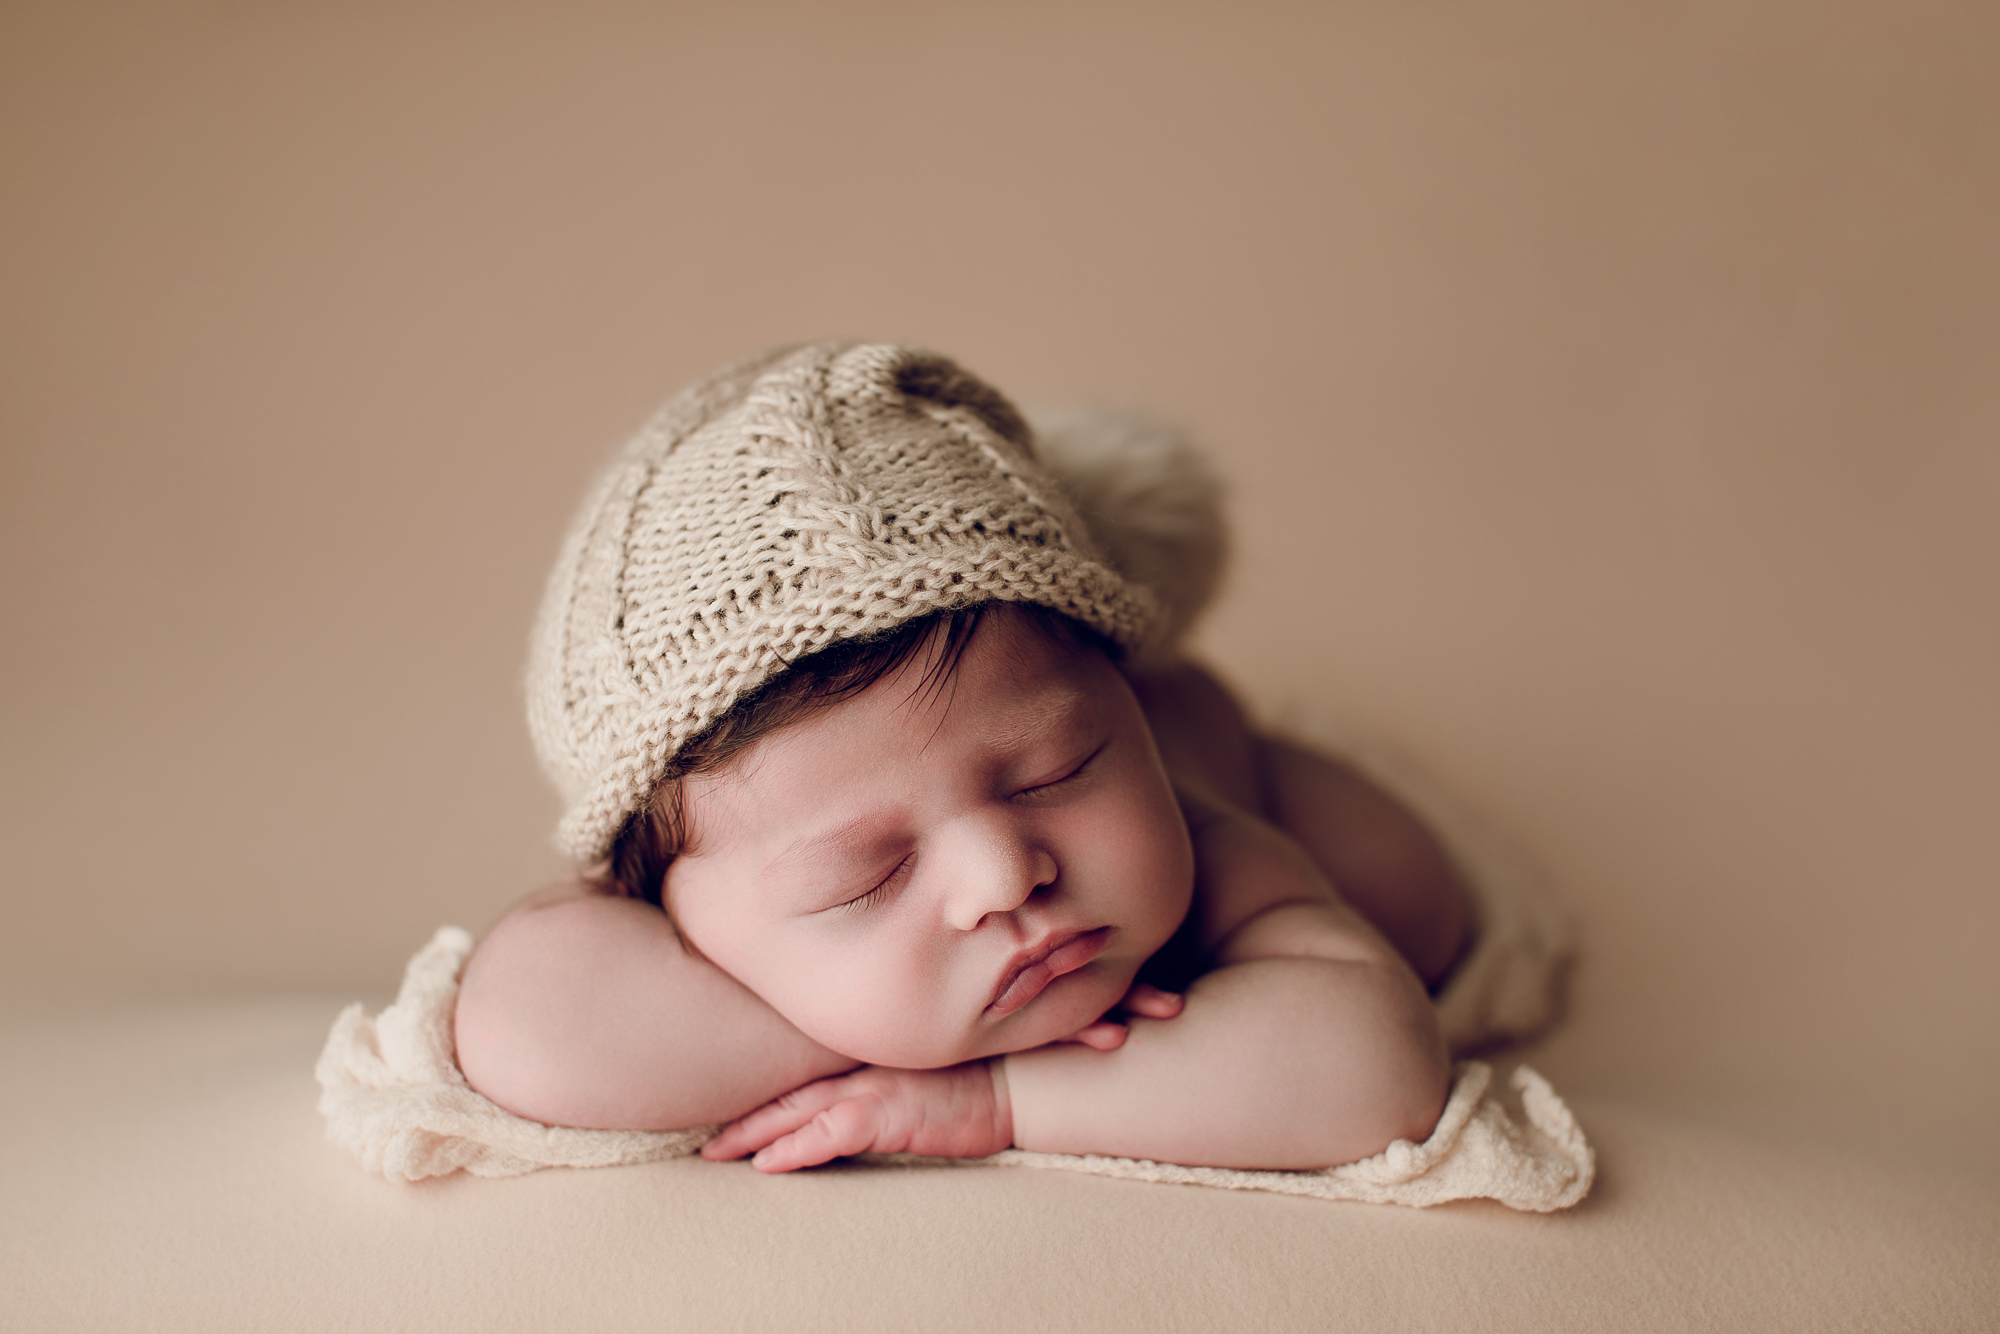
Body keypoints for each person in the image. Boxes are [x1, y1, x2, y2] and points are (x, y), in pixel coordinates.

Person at [453, 343, 1471, 1173]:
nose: (1003, 874)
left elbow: (1377, 1067)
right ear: (668, 914)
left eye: (1055, 769)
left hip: (1233, 752)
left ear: (1122, 702)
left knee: (1416, 902)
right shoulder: (667, 909)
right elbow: (523, 1029)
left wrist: (992, 1090)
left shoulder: (1208, 847)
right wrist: (869, 1027)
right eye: (865, 875)